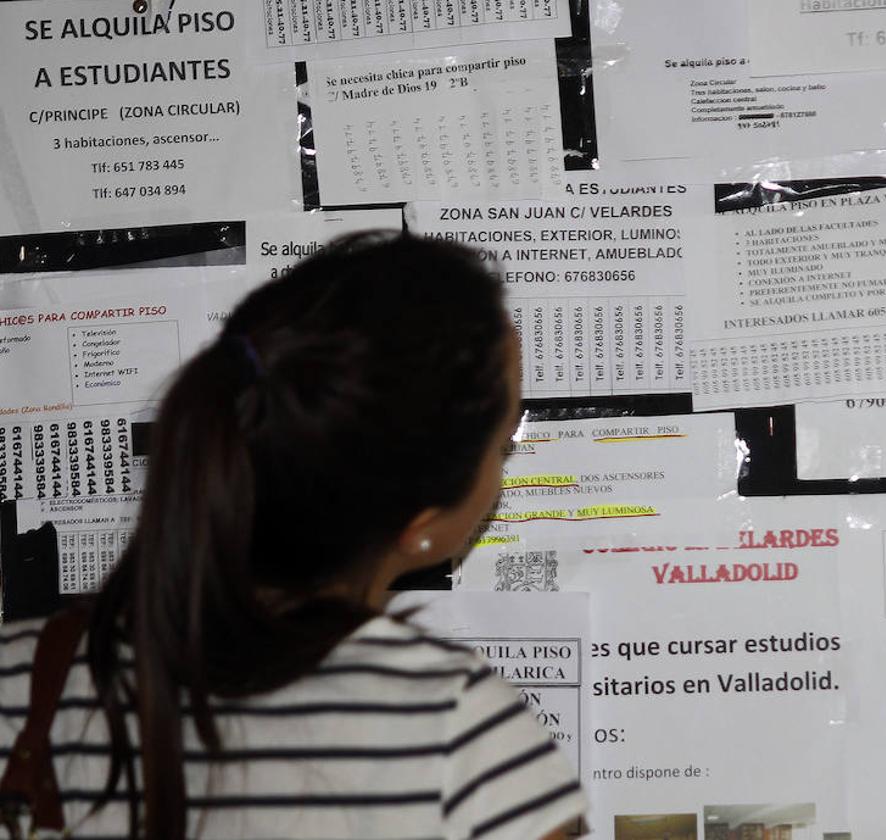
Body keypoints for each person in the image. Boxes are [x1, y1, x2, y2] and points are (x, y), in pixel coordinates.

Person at [0, 232, 585, 840]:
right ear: (422, 525)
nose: (505, 461)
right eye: (501, 442)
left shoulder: (19, 684)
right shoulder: (461, 733)